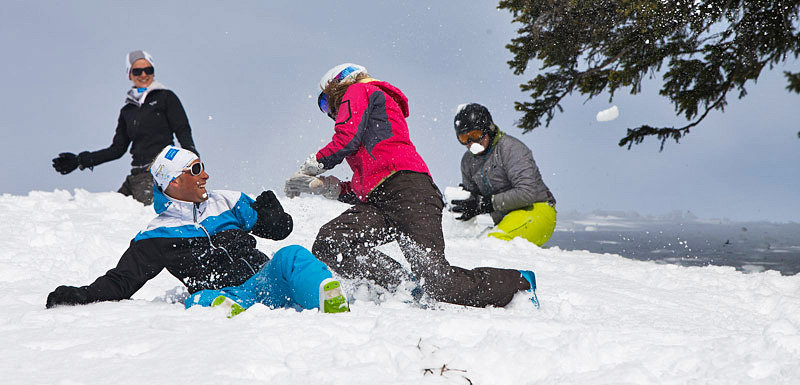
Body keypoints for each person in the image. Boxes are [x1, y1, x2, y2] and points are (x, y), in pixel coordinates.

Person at [284, 63, 538, 308]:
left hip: (410, 194)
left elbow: (345, 139)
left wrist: (313, 165)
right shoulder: (370, 119)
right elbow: (367, 182)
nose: (329, 112)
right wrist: (326, 186)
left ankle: (520, 282)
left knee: (439, 283)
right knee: (331, 242)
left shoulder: (358, 90)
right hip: (380, 201)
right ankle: (402, 287)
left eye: (326, 102)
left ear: (338, 84)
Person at [46, 145, 349, 316]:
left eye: (202, 167)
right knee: (198, 300)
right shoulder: (157, 235)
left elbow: (279, 231)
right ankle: (231, 313)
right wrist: (80, 295)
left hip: (264, 284)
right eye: (195, 170)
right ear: (173, 182)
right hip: (225, 294)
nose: (205, 175)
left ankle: (332, 307)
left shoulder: (228, 201)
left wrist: (274, 215)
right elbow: (122, 282)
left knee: (293, 256)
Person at [51, 50, 199, 205]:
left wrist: (193, 159)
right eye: (137, 71)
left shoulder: (165, 97)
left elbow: (182, 130)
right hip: (137, 176)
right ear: (129, 74)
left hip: (160, 173)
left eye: (148, 70)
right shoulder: (128, 111)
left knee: (147, 215)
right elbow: (117, 149)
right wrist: (80, 160)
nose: (143, 75)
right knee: (114, 213)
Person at [450, 103, 557, 247]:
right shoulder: (468, 161)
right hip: (506, 219)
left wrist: (485, 204)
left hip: (537, 211)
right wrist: (466, 205)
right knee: (474, 247)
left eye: (475, 135)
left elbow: (527, 192)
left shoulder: (510, 149)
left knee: (493, 245)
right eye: (464, 138)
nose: (471, 143)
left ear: (488, 129)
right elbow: (473, 196)